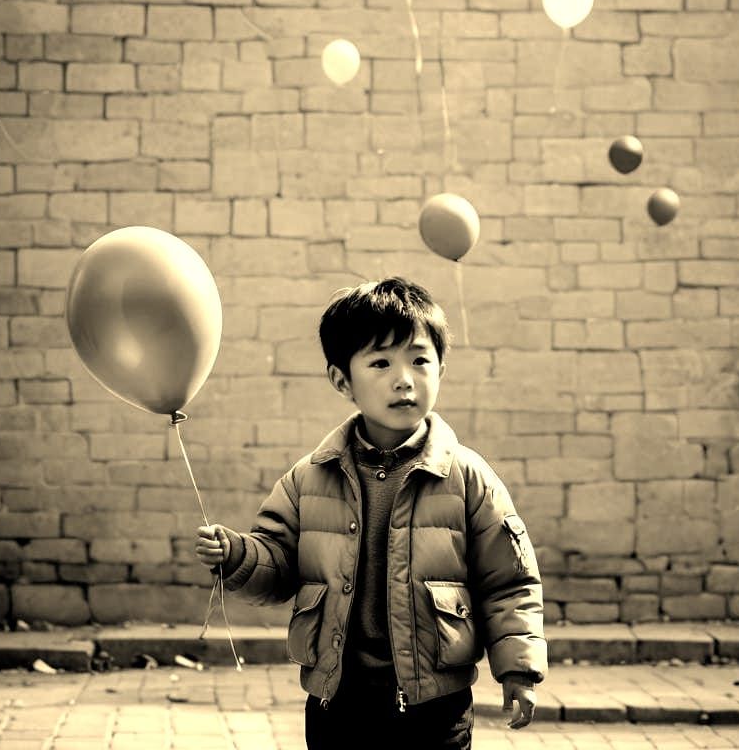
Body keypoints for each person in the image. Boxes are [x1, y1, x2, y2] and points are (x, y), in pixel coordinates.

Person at [195, 276, 547, 749]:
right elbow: (277, 563)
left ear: (441, 367)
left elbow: (509, 582)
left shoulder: (467, 477)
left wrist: (518, 669)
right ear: (343, 380)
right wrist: (237, 555)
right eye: (380, 362)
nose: (404, 378)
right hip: (337, 702)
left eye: (420, 360)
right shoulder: (310, 477)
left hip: (434, 706)